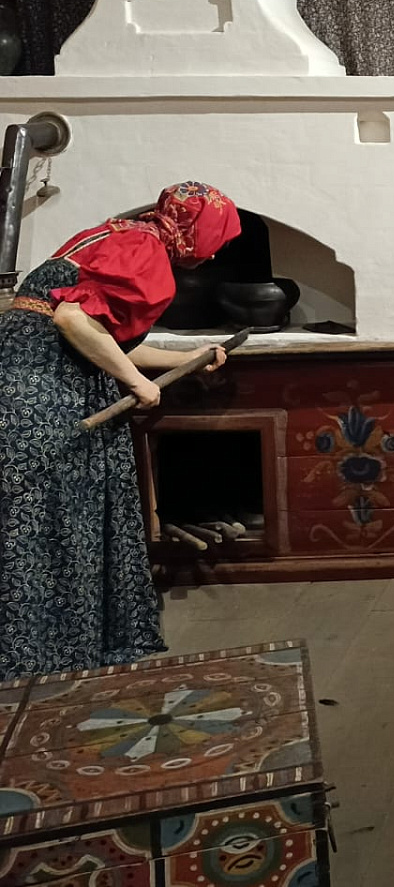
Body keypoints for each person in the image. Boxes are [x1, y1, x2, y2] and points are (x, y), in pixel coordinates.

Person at [1, 181, 241, 678]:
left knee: (44, 512)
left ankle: (53, 646)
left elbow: (104, 337)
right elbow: (72, 320)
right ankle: (40, 655)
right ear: (195, 231)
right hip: (44, 388)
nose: (214, 253)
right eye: (215, 239)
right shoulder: (143, 250)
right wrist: (136, 383)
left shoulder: (118, 233)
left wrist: (187, 358)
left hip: (29, 375)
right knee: (50, 513)